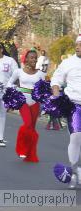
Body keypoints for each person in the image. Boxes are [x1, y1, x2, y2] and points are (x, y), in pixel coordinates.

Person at [51, 34, 81, 188]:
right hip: (75, 106)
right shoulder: (68, 63)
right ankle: (75, 171)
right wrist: (56, 95)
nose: (78, 47)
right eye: (77, 44)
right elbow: (56, 79)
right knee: (76, 137)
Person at [7, 49, 46, 162]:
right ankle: (21, 149)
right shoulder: (18, 72)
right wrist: (15, 91)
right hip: (22, 101)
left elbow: (43, 90)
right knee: (27, 124)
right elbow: (9, 83)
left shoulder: (40, 74)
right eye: (31, 57)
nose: (33, 59)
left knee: (32, 129)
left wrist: (43, 105)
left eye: (35, 58)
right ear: (26, 59)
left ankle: (30, 154)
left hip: (35, 103)